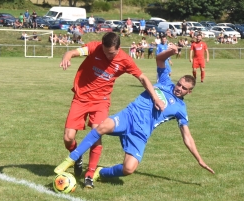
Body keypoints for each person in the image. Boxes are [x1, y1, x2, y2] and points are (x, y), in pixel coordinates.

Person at [54, 46, 215, 188]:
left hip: (141, 133)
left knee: (128, 169)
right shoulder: (166, 81)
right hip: (128, 116)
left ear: (189, 92)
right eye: (179, 84)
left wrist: (199, 159)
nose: (178, 88)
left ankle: (100, 173)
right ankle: (72, 159)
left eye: (183, 88)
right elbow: (159, 59)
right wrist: (171, 52)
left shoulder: (181, 109)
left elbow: (187, 136)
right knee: (101, 127)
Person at [54, 32, 165, 189]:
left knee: (96, 133)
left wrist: (156, 98)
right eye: (105, 52)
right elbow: (74, 52)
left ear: (118, 48)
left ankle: (90, 174)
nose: (107, 56)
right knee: (68, 137)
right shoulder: (95, 47)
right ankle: (77, 157)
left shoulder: (125, 60)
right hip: (80, 98)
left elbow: (142, 78)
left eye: (111, 53)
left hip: (101, 101)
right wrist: (68, 56)